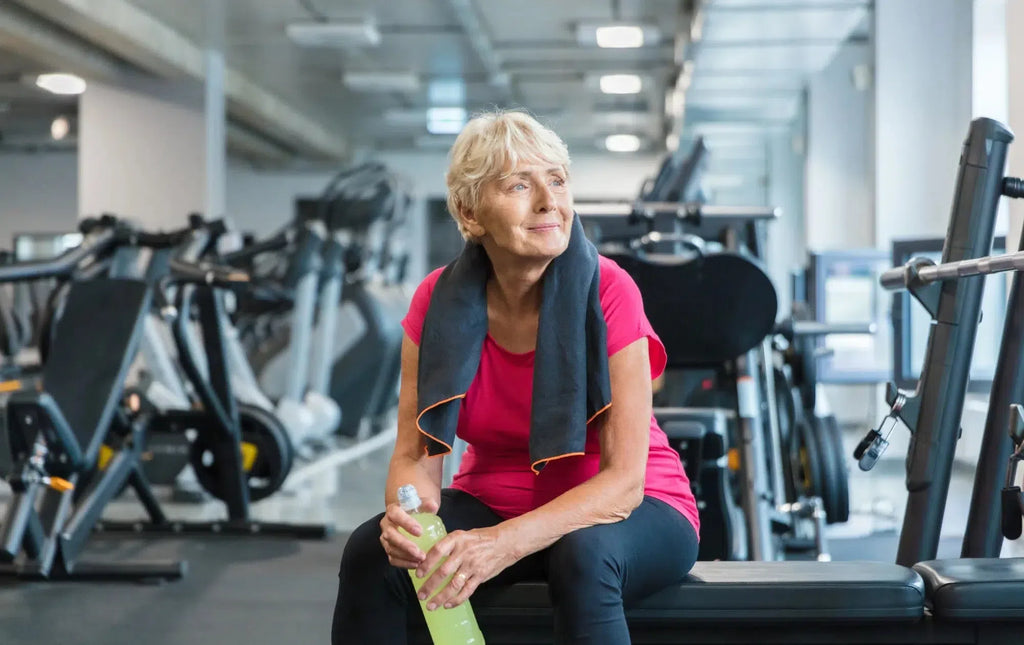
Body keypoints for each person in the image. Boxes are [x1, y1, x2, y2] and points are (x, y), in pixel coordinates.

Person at [332, 110, 700, 645]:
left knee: (585, 555)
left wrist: (503, 543)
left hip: (634, 507)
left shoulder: (610, 290)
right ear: (469, 210)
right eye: (519, 185)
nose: (550, 201)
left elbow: (624, 483)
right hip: (494, 500)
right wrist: (408, 519)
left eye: (557, 180)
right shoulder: (435, 301)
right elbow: (415, 455)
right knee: (370, 551)